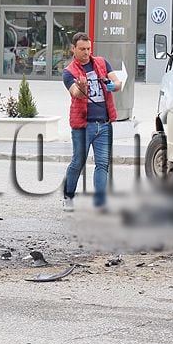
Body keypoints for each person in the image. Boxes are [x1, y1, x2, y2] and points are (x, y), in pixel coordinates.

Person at [61, 32, 121, 213]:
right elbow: (75, 93)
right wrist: (82, 87)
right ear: (73, 49)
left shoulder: (102, 63)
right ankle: (68, 196)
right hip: (82, 125)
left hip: (103, 123)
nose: (86, 52)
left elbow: (118, 83)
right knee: (78, 162)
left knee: (103, 163)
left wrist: (114, 85)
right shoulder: (69, 72)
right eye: (82, 49)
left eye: (88, 48)